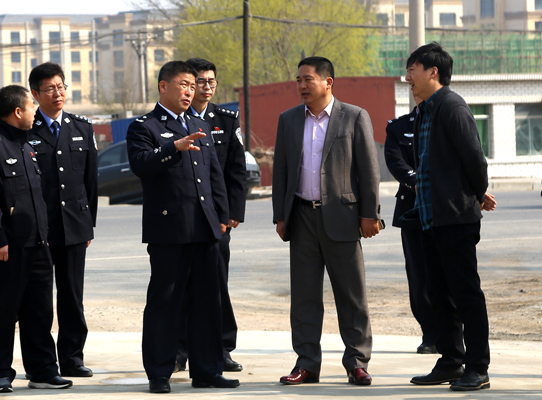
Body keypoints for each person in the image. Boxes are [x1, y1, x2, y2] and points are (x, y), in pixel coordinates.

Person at [126, 60, 239, 394]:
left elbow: (214, 175)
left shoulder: (197, 123)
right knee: (165, 302)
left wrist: (222, 214)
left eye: (193, 85)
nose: (190, 91)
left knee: (207, 302)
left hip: (205, 229)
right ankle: (159, 372)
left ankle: (207, 370)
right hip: (169, 230)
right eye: (183, 85)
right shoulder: (144, 127)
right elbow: (140, 165)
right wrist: (171, 148)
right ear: (164, 86)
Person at [272, 56, 381, 386]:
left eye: (308, 79)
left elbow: (368, 170)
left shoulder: (354, 116)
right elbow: (281, 170)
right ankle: (306, 363)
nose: (302, 86)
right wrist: (280, 214)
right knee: (304, 296)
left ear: (328, 82)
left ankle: (357, 361)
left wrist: (369, 213)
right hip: (302, 216)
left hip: (343, 217)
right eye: (298, 80)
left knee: (351, 295)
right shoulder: (289, 119)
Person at [0, 85, 73, 393]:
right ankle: (1, 372)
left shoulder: (28, 146)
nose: (34, 112)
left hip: (37, 245)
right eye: (31, 107)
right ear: (18, 112)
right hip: (7, 247)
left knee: (40, 311)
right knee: (4, 311)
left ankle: (43, 371)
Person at [405, 42, 492, 391]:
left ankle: (478, 367)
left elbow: (475, 160)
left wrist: (473, 195)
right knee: (438, 294)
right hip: (430, 217)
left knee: (466, 293)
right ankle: (451, 360)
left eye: (412, 69)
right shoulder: (426, 110)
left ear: (432, 72)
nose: (407, 76)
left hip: (454, 218)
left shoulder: (452, 107)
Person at [173, 57, 247, 373]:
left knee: (217, 283)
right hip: (185, 218)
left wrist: (232, 213)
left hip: (217, 219)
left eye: (210, 82)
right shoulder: (176, 118)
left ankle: (222, 346)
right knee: (182, 285)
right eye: (199, 81)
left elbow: (236, 170)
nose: (205, 87)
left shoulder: (226, 120)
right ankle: (180, 350)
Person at [27, 62, 98, 378]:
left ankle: (72, 358)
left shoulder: (82, 127)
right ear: (35, 94)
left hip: (74, 226)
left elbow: (90, 182)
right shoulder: (25, 129)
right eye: (49, 89)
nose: (57, 94)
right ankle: (42, 363)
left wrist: (88, 225)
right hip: (38, 230)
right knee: (38, 300)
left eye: (61, 87)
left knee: (72, 296)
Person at [385, 95, 438, 354]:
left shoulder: (447, 119)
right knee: (419, 275)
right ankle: (429, 332)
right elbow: (395, 162)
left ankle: (453, 332)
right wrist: (419, 181)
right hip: (412, 209)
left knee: (448, 273)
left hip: (445, 207)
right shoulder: (398, 126)